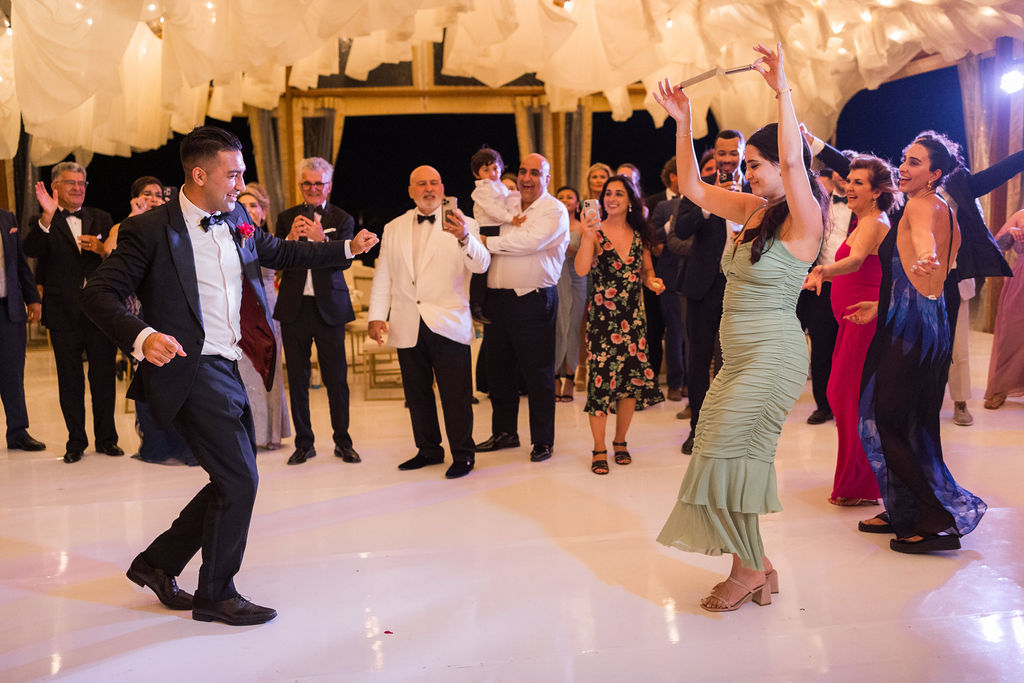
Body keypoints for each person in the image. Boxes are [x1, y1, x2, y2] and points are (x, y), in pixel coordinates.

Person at [81, 125, 378, 625]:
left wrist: (345, 249)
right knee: (240, 479)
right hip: (187, 365)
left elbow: (280, 252)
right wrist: (143, 336)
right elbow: (98, 294)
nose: (241, 183)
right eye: (234, 174)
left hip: (229, 362)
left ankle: (157, 564)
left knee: (232, 477)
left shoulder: (236, 216)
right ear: (200, 175)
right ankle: (216, 594)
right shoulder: (150, 229)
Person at [654, 43, 827, 611]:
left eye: (755, 164)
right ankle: (758, 563)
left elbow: (797, 164)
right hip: (737, 359)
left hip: (772, 356)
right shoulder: (752, 211)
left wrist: (782, 91)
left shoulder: (804, 218)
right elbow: (693, 188)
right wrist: (683, 122)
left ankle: (747, 569)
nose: (746, 171)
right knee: (716, 452)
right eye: (746, 164)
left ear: (781, 165)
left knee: (732, 458)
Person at [852, 131, 986, 553]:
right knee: (911, 420)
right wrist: (881, 304)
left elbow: (923, 239)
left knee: (888, 420)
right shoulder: (947, 207)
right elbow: (923, 269)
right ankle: (904, 509)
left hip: (909, 327)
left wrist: (926, 254)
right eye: (904, 159)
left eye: (915, 162)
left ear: (935, 173)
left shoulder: (920, 204)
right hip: (926, 320)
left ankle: (933, 517)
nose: (904, 168)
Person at [368, 166, 490, 479]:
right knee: (417, 394)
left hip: (448, 321)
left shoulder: (466, 223)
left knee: (455, 395)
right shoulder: (394, 227)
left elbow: (481, 265)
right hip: (407, 321)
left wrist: (463, 237)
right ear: (411, 191)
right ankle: (428, 449)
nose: (429, 188)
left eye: (434, 182)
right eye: (421, 184)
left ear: (443, 188)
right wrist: (377, 315)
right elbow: (384, 274)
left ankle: (463, 454)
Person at [804, 155, 901, 506]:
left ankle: (861, 484)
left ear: (876, 192)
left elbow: (857, 260)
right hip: (852, 321)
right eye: (849, 180)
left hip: (865, 321)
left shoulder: (874, 222)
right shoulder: (863, 221)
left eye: (859, 183)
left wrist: (822, 271)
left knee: (849, 396)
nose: (849, 186)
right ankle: (858, 480)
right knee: (845, 396)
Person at [24, 162, 121, 464]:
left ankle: (107, 439)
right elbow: (31, 249)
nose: (78, 188)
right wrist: (47, 216)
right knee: (70, 381)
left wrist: (102, 249)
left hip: (99, 312)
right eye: (71, 183)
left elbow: (116, 259)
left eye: (82, 183)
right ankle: (75, 441)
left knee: (103, 378)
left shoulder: (101, 217)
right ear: (55, 187)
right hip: (63, 313)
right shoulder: (43, 220)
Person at [475, 153, 569, 463]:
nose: (527, 178)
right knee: (498, 370)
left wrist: (490, 242)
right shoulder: (509, 202)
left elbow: (529, 242)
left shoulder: (554, 210)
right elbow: (484, 216)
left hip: (533, 299)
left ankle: (542, 440)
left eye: (535, 173)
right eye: (523, 171)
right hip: (497, 299)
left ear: (547, 178)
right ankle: (505, 432)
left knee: (537, 373)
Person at [575, 176, 665, 474]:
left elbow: (646, 271)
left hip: (633, 322)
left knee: (629, 384)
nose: (612, 198)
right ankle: (599, 448)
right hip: (602, 323)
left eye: (619, 194)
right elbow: (581, 269)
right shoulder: (595, 232)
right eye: (608, 194)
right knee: (600, 386)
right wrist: (587, 235)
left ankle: (620, 441)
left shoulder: (640, 236)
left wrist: (652, 282)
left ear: (630, 201)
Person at [273, 157, 360, 466]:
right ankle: (304, 443)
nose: (312, 188)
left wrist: (322, 239)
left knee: (336, 379)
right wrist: (290, 239)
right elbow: (276, 259)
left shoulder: (342, 218)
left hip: (330, 308)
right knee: (297, 380)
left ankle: (343, 441)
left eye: (318, 184)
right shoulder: (286, 217)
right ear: (300, 185)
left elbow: (343, 261)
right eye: (307, 183)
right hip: (294, 308)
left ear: (329, 186)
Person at [106, 176, 198, 467]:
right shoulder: (124, 226)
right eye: (146, 194)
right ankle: (155, 445)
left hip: (171, 309)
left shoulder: (171, 225)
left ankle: (185, 445)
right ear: (135, 197)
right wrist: (134, 216)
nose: (154, 198)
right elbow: (109, 253)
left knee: (178, 374)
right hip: (137, 315)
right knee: (148, 377)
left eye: (158, 194)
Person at [673, 128, 747, 454]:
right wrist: (709, 202)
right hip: (703, 287)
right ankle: (698, 429)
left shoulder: (757, 186)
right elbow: (681, 229)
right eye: (721, 153)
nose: (727, 159)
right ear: (714, 155)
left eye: (733, 153)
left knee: (736, 362)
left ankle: (732, 430)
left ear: (742, 153)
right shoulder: (699, 188)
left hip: (743, 288)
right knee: (699, 360)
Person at [796, 163, 850, 425]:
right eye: (839, 170)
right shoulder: (820, 203)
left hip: (852, 284)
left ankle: (848, 405)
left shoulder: (867, 209)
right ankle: (823, 405)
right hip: (822, 285)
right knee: (821, 347)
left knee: (849, 349)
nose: (843, 176)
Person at [238, 183, 291, 450]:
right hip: (239, 309)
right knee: (244, 369)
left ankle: (271, 433)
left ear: (262, 211)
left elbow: (287, 258)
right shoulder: (230, 240)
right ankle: (251, 432)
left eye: (253, 205)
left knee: (271, 369)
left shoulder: (269, 241)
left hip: (268, 307)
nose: (248, 210)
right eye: (243, 205)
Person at [1, 208, 46, 452]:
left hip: (8, 307)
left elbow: (19, 262)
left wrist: (33, 299)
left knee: (13, 372)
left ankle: (18, 432)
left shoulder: (6, 218)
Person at [983, 209, 1024, 409]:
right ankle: (1000, 389)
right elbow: (995, 246)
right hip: (1020, 284)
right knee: (1010, 335)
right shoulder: (1021, 215)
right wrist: (1011, 234)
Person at [554, 186, 587, 402]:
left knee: (573, 327)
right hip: (556, 278)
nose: (565, 200)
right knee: (558, 327)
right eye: (561, 197)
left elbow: (584, 253)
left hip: (577, 278)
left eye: (569, 197)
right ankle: (556, 376)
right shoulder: (553, 223)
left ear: (577, 202)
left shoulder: (584, 225)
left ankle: (570, 378)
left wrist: (565, 244)